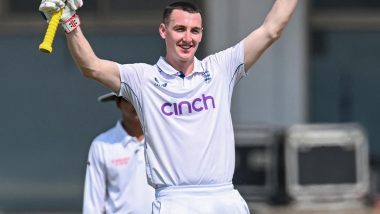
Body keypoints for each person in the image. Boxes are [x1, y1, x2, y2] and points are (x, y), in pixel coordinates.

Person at [39, 0, 298, 213]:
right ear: (163, 31)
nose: (187, 38)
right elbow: (91, 67)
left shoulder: (220, 68)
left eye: (194, 31)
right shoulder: (142, 79)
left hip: (223, 197)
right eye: (180, 29)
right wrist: (69, 22)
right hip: (175, 201)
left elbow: (271, 29)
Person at [83, 93, 155, 214]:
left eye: (140, 97)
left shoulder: (164, 139)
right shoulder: (102, 144)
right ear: (118, 103)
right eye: (128, 99)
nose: (135, 104)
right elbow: (93, 203)